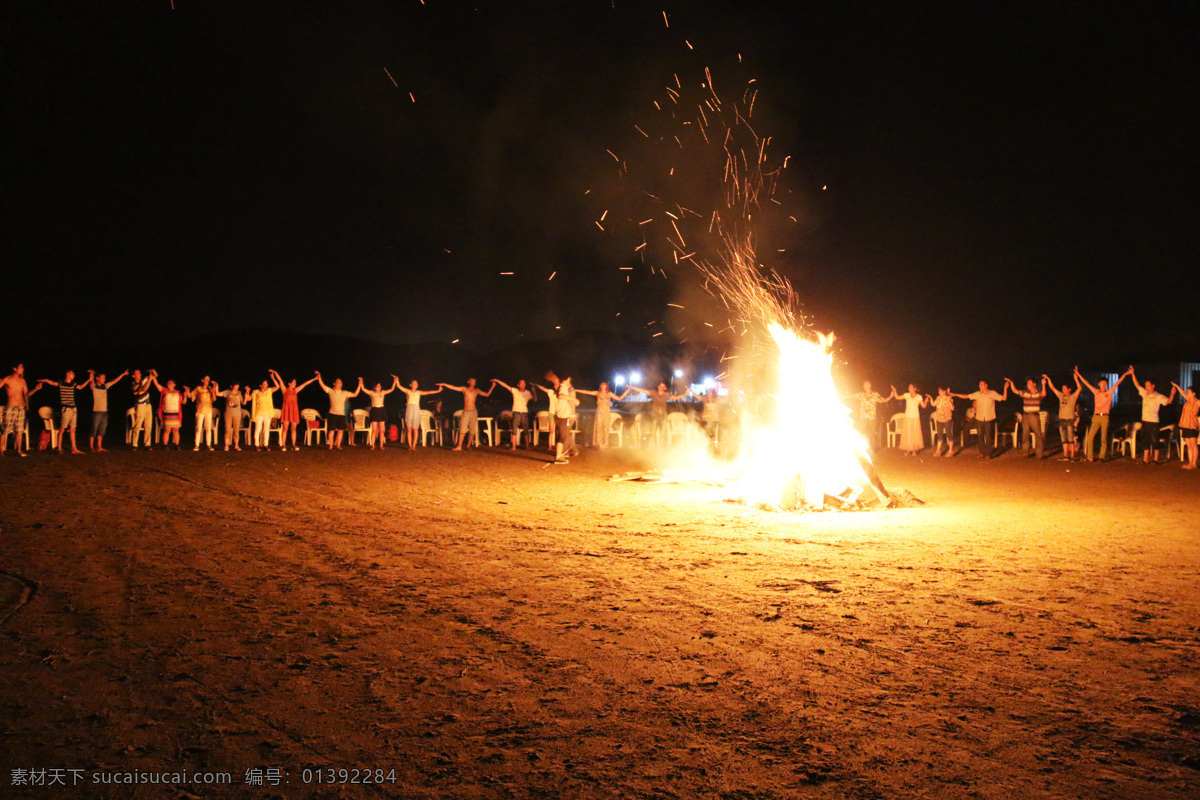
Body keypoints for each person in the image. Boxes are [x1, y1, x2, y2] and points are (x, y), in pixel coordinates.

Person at [1078, 367, 1130, 462]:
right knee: (1090, 437)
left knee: (1104, 438)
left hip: (1105, 417)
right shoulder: (1096, 392)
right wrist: (1078, 374)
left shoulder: (1109, 392)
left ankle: (1102, 456)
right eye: (1102, 383)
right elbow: (1087, 383)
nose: (1103, 385)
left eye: (1105, 383)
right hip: (1096, 416)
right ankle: (1090, 456)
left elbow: (1118, 383)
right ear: (1098, 384)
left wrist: (1125, 374)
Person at [1130, 368, 1176, 464]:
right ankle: (1145, 459)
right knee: (1145, 440)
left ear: (1153, 386)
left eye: (1148, 386)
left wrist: (1172, 394)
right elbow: (1136, 384)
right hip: (1145, 420)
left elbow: (1168, 402)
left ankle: (1155, 459)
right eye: (1146, 386)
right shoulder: (1144, 393)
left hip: (1154, 421)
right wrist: (1133, 374)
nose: (1146, 387)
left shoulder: (1158, 396)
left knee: (1155, 440)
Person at [952, 380, 1008, 459]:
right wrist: (955, 394)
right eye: (979, 385)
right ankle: (982, 452)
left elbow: (1004, 398)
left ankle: (988, 453)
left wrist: (1005, 388)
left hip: (989, 417)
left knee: (988, 436)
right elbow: (967, 396)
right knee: (980, 436)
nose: (980, 386)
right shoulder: (977, 394)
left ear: (986, 385)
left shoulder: (992, 393)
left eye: (981, 385)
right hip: (979, 417)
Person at [38, 370, 89, 454]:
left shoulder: (73, 384)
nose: (73, 375)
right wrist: (46, 380)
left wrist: (89, 380)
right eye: (72, 374)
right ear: (67, 374)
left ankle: (74, 449)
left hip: (73, 408)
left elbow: (80, 387)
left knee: (73, 429)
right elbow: (52, 383)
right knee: (62, 428)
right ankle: (59, 448)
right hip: (66, 408)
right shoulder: (61, 383)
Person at [629, 381, 689, 448]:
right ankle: (651, 447)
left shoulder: (666, 395)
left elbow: (676, 397)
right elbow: (643, 390)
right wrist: (633, 387)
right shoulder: (654, 393)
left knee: (662, 433)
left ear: (665, 388)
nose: (661, 388)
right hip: (655, 415)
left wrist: (684, 394)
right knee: (653, 432)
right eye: (660, 386)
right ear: (658, 386)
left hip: (663, 416)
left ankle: (660, 447)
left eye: (663, 387)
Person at [441, 378, 494, 450]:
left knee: (472, 429)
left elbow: (487, 394)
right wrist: (444, 384)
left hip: (473, 411)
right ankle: (459, 446)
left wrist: (492, 386)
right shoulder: (464, 389)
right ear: (468, 382)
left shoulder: (476, 390)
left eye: (475, 381)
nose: (473, 382)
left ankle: (468, 445)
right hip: (466, 411)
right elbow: (453, 387)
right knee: (463, 428)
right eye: (472, 381)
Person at [270, 370, 317, 451]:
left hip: (294, 411)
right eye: (294, 382)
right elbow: (280, 380)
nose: (295, 384)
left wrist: (314, 379)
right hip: (286, 411)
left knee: (293, 429)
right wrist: (275, 373)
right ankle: (283, 444)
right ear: (289, 383)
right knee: (285, 428)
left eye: (295, 382)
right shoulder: (285, 390)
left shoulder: (296, 390)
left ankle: (293, 444)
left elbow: (305, 384)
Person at [1, 364, 43, 458]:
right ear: (15, 369)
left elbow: (26, 394)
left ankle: (19, 450)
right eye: (21, 367)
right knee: (4, 430)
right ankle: (1, 451)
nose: (23, 369)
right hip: (10, 407)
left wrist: (36, 389)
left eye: (23, 367)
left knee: (19, 430)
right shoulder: (7, 379)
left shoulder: (22, 381)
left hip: (20, 408)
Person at [576, 381, 629, 450]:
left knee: (605, 427)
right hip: (599, 412)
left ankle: (604, 444)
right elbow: (587, 392)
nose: (603, 385)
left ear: (606, 386)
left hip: (606, 412)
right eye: (602, 384)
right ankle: (599, 444)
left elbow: (619, 398)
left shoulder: (609, 394)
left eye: (604, 385)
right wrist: (577, 390)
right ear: (600, 386)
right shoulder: (597, 393)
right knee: (598, 428)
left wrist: (626, 392)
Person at [393, 378, 442, 449]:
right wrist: (397, 380)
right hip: (409, 410)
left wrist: (438, 391)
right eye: (414, 383)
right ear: (410, 385)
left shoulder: (419, 392)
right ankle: (410, 445)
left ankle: (414, 445)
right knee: (409, 429)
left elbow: (428, 392)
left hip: (416, 410)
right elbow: (399, 386)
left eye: (416, 383)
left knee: (415, 429)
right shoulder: (408, 391)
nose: (415, 385)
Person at [87, 368, 128, 452]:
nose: (104, 379)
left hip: (104, 412)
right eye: (102, 378)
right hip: (97, 411)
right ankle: (91, 447)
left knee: (102, 430)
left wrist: (123, 374)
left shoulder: (105, 386)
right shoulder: (94, 386)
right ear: (98, 378)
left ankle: (99, 446)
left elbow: (114, 381)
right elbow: (91, 381)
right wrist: (92, 375)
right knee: (94, 430)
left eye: (104, 378)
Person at [315, 372, 359, 450]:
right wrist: (319, 377)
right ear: (334, 384)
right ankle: (331, 445)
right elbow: (322, 385)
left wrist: (360, 384)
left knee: (340, 431)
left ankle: (338, 445)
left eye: (340, 382)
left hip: (341, 414)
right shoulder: (330, 391)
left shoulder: (345, 393)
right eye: (338, 382)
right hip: (332, 414)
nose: (339, 384)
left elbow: (355, 394)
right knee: (331, 430)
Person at [1006, 377, 1047, 459]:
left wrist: (1043, 384)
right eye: (1027, 383)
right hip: (1026, 415)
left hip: (1034, 415)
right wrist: (1011, 383)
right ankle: (1025, 453)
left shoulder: (1038, 393)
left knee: (1038, 434)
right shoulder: (1025, 393)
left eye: (1030, 383)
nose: (1028, 385)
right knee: (1025, 434)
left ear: (1034, 384)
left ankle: (1039, 453)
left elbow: (1044, 394)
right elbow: (1015, 391)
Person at [1044, 372, 1082, 461]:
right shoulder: (1061, 396)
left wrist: (1076, 379)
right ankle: (1065, 455)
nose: (1063, 390)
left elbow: (1079, 388)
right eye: (1062, 389)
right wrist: (1048, 379)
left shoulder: (1073, 397)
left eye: (1065, 389)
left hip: (1070, 420)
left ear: (1069, 389)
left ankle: (1072, 455)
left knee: (1070, 439)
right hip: (1062, 420)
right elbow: (1053, 388)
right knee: (1064, 439)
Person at [494, 379, 535, 449]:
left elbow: (534, 399)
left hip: (524, 412)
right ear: (518, 385)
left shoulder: (528, 393)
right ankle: (514, 446)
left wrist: (534, 392)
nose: (522, 385)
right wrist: (498, 381)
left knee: (526, 430)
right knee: (514, 429)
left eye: (523, 384)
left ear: (525, 385)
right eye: (521, 384)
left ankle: (527, 446)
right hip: (516, 412)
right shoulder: (515, 391)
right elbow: (505, 386)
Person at [358, 377, 397, 450]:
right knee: (374, 430)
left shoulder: (383, 392)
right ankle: (373, 445)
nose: (379, 387)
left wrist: (394, 382)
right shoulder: (371, 393)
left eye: (380, 386)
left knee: (382, 430)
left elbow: (391, 389)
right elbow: (363, 389)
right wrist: (361, 381)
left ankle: (381, 445)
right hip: (374, 410)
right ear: (374, 387)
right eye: (377, 386)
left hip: (381, 410)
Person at [892, 384, 927, 456]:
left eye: (911, 387)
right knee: (908, 433)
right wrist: (894, 391)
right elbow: (897, 397)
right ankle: (908, 449)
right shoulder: (907, 395)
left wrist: (926, 401)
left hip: (915, 417)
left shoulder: (919, 397)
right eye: (909, 387)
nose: (909, 389)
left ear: (915, 388)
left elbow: (923, 406)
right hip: (908, 416)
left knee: (915, 433)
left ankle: (914, 449)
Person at [152, 376, 185, 449]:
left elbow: (183, 402)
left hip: (176, 414)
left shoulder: (178, 393)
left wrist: (185, 395)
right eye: (168, 383)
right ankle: (165, 445)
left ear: (174, 384)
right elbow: (157, 384)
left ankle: (177, 445)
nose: (169, 384)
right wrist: (153, 377)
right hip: (167, 413)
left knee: (176, 430)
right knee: (167, 429)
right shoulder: (164, 391)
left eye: (171, 383)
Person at [1171, 383, 1199, 470]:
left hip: (1192, 425)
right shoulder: (1187, 401)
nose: (1187, 394)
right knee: (1189, 445)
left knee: (1193, 444)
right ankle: (1190, 463)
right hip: (1185, 424)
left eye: (1189, 392)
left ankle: (1194, 463)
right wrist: (1177, 386)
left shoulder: (1197, 402)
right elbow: (1182, 393)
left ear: (1194, 393)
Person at [553, 376, 581, 463]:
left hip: (561, 415)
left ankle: (561, 455)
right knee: (563, 436)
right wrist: (573, 399)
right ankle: (560, 455)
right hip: (564, 416)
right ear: (568, 379)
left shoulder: (561, 388)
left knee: (563, 435)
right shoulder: (563, 387)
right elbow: (561, 396)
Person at [853, 381, 887, 451]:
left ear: (870, 385)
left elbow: (883, 400)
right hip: (863, 417)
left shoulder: (875, 395)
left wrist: (891, 396)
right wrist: (839, 395)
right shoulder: (861, 395)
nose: (866, 386)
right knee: (861, 432)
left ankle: (873, 449)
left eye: (867, 384)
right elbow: (851, 396)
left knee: (872, 434)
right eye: (864, 385)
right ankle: (861, 448)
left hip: (871, 417)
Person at [188, 376, 219, 451]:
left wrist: (213, 392)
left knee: (208, 428)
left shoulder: (210, 389)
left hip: (208, 410)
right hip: (200, 410)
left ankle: (208, 444)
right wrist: (187, 391)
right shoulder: (198, 388)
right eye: (206, 379)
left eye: (209, 379)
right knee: (198, 428)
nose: (208, 381)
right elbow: (191, 395)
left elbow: (214, 399)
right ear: (202, 380)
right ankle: (196, 445)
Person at [128, 370, 157, 450]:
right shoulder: (134, 385)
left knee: (148, 425)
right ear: (133, 376)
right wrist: (149, 381)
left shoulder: (143, 380)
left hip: (148, 405)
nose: (140, 374)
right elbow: (143, 390)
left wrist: (152, 372)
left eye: (140, 373)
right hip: (140, 405)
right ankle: (134, 444)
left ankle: (147, 444)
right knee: (138, 425)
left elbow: (155, 375)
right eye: (137, 373)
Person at [218, 382, 249, 451]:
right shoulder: (227, 392)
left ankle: (236, 445)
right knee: (227, 429)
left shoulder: (239, 393)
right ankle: (226, 445)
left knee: (236, 430)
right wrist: (216, 387)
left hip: (237, 414)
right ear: (231, 386)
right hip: (228, 413)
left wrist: (247, 393)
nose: (237, 387)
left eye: (237, 385)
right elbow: (218, 394)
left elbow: (243, 402)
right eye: (235, 385)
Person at [249, 378, 278, 451]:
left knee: (266, 429)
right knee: (258, 429)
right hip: (259, 413)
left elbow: (277, 387)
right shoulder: (256, 392)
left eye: (266, 384)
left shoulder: (268, 391)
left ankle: (266, 444)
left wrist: (273, 378)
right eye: (264, 384)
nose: (266, 385)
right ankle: (257, 444)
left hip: (267, 413)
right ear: (260, 385)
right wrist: (247, 392)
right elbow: (249, 398)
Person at [927, 387, 955, 457]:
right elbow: (933, 404)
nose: (939, 392)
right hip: (939, 419)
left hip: (947, 419)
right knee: (940, 435)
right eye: (939, 391)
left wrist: (949, 401)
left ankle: (951, 451)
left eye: (940, 391)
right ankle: (938, 451)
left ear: (944, 391)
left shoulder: (949, 398)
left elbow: (952, 408)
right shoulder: (938, 398)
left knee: (949, 434)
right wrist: (930, 398)